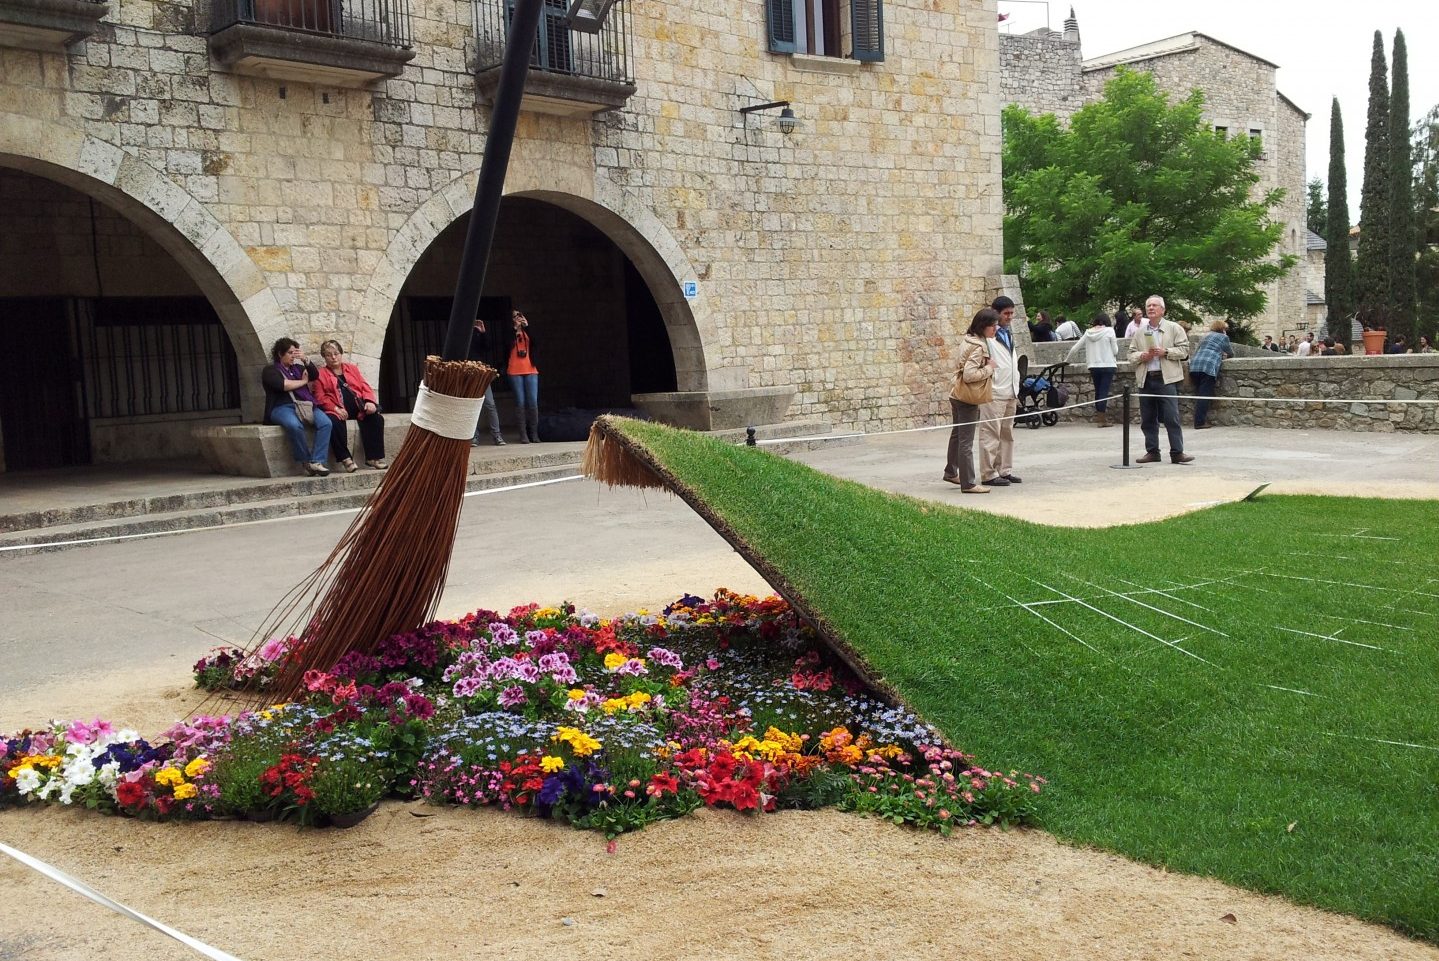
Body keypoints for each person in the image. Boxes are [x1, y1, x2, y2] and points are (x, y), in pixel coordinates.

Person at [1128, 295, 1193, 464]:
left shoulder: (1174, 328)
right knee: (1148, 418)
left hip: (1167, 379)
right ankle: (1152, 452)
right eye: (1148, 305)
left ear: (1162, 310)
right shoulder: (1140, 332)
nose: (1150, 308)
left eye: (1154, 305)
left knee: (1172, 417)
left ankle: (1177, 452)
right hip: (1146, 378)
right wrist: (1143, 355)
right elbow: (1130, 354)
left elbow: (1185, 351)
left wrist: (1166, 352)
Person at [943, 309, 998, 493]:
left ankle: (951, 472)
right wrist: (989, 368)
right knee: (966, 440)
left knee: (957, 436)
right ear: (983, 326)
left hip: (956, 393)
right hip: (967, 397)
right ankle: (968, 483)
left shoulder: (968, 340)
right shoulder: (978, 346)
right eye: (993, 325)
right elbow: (969, 375)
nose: (995, 329)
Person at [261, 338, 332, 476]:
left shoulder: (299, 368)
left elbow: (314, 375)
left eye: (295, 352)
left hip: (305, 405)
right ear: (280, 354)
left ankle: (316, 461)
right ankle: (305, 461)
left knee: (326, 423)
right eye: (290, 352)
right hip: (281, 407)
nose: (293, 355)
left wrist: (305, 360)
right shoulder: (270, 370)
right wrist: (303, 381)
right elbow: (283, 385)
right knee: (294, 425)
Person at [314, 339, 387, 471]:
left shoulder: (352, 369)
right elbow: (320, 397)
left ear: (341, 354)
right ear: (324, 357)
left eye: (336, 353)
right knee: (333, 422)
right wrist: (335, 408)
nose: (333, 357)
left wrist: (370, 401)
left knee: (376, 418)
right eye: (329, 355)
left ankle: (373, 458)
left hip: (357, 407)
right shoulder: (321, 374)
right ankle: (345, 459)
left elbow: (364, 386)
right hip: (336, 408)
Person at [979, 295, 1023, 486]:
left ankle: (1004, 470)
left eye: (1012, 313)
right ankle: (988, 473)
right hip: (995, 391)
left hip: (1010, 390)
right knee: (990, 434)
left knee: (1007, 433)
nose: (1010, 317)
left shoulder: (1007, 334)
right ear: (996, 313)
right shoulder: (987, 336)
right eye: (1006, 313)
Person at [1066, 311, 1119, 427]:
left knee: (1098, 390)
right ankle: (1102, 419)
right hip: (1108, 365)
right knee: (1104, 391)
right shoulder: (1110, 331)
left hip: (1093, 366)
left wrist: (1066, 361)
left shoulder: (1088, 332)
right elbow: (1115, 351)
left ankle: (1099, 416)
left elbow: (1075, 348)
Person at [1188, 320, 1233, 429]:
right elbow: (1231, 353)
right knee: (1204, 395)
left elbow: (1197, 350)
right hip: (1208, 366)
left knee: (1199, 394)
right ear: (1223, 329)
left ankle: (1198, 419)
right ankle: (1199, 423)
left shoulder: (1206, 336)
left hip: (1195, 365)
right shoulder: (1224, 337)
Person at [468, 316, 505, 446]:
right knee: (472, 405)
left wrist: (483, 333)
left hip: (481, 372)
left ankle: (497, 435)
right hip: (467, 373)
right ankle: (474, 436)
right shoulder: (460, 333)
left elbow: (488, 347)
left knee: (490, 404)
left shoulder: (477, 332)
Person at [507, 309, 541, 443]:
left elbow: (537, 342)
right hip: (514, 370)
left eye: (520, 315)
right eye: (515, 316)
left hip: (531, 369)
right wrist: (515, 329)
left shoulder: (528, 332)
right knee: (520, 402)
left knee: (533, 402)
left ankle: (534, 434)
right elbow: (506, 344)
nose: (518, 318)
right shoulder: (510, 332)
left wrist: (528, 327)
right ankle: (523, 435)